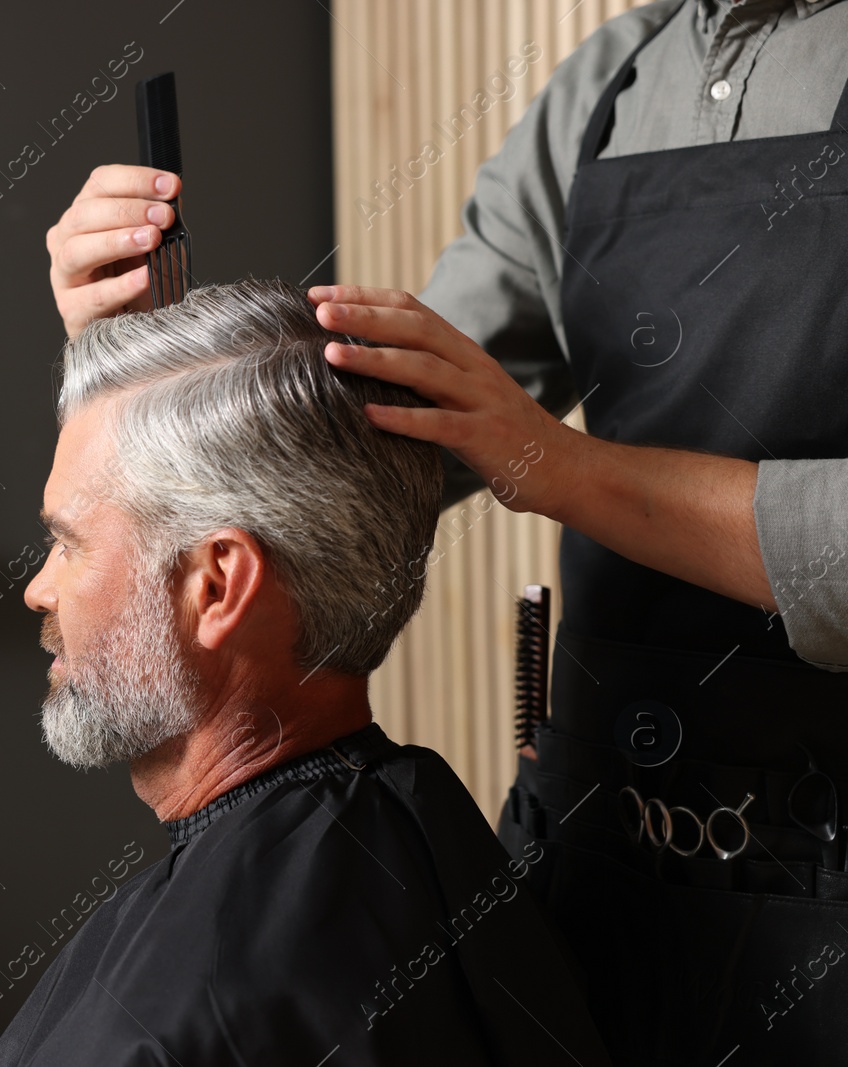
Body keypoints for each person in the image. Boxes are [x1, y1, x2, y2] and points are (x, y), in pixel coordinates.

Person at [44, 2, 848, 1062]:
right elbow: (395, 423)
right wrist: (141, 382)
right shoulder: (613, 80)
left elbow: (512, 442)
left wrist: (560, 467)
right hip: (607, 853)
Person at [0, 278, 610, 1067]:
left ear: (214, 585)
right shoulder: (423, 826)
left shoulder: (167, 1028)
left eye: (68, 542)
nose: (38, 587)